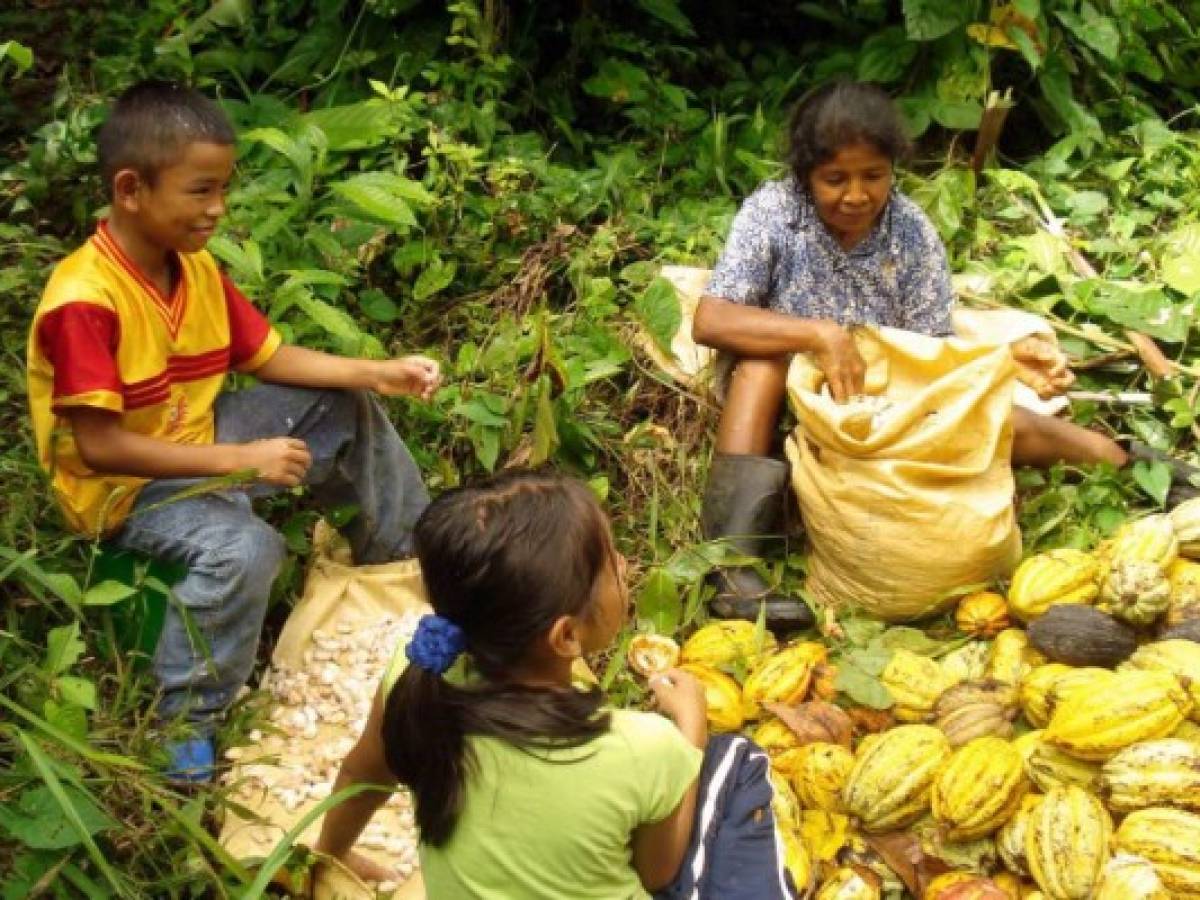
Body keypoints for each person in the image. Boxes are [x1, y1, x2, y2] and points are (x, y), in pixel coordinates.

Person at [26, 80, 440, 781]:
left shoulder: (197, 270)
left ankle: (406, 569)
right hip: (125, 492)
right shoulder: (85, 301)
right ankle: (186, 723)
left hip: (200, 438)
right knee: (246, 548)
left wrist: (375, 372)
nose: (217, 209)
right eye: (200, 191)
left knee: (342, 402)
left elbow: (268, 357)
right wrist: (240, 460)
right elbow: (99, 448)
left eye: (222, 189)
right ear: (131, 189)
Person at [693, 79, 1197, 631]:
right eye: (835, 179)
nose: (855, 195)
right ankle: (730, 567)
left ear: (893, 170)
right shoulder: (773, 213)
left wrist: (1001, 362)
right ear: (805, 175)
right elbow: (711, 319)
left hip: (886, 397)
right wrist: (818, 336)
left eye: (873, 177)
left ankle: (1131, 463)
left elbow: (932, 357)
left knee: (993, 420)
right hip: (789, 389)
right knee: (761, 368)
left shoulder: (912, 232)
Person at [314, 471, 797, 899]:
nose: (626, 564)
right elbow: (658, 871)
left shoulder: (417, 673)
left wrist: (330, 858)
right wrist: (688, 730)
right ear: (566, 636)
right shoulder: (639, 747)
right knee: (735, 761)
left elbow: (362, 774)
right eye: (610, 562)